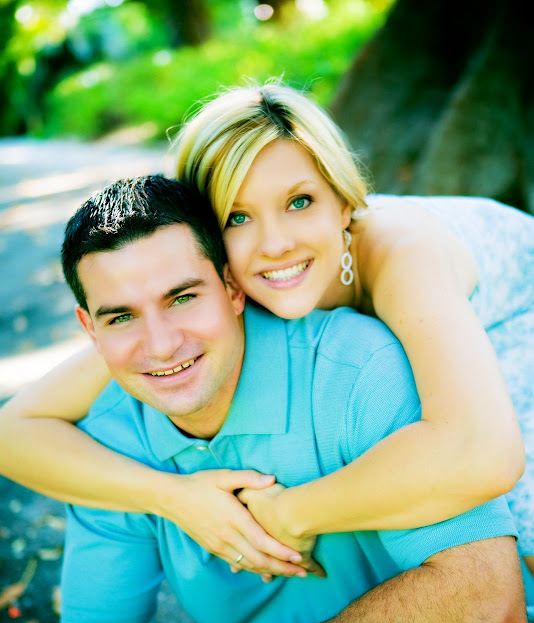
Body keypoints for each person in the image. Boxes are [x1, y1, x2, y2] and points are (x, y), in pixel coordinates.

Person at [33, 175, 533, 623]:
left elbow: (485, 598)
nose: (161, 345)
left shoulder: (359, 364)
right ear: (89, 327)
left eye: (182, 298)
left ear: (232, 288)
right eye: (121, 316)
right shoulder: (105, 437)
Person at [0, 82, 533, 583]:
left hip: (515, 322)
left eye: (299, 202)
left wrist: (291, 514)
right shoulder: (213, 294)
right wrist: (173, 496)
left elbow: (484, 453)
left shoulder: (404, 255)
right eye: (237, 217)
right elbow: (15, 434)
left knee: (514, 542)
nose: (275, 244)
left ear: (344, 202)